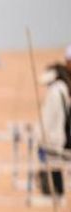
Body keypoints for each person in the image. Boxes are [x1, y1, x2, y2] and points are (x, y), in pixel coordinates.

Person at [36, 62, 71, 196]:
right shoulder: (61, 90)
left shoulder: (55, 92)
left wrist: (40, 137)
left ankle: (55, 194)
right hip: (57, 137)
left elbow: (48, 119)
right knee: (54, 168)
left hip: (52, 138)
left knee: (53, 169)